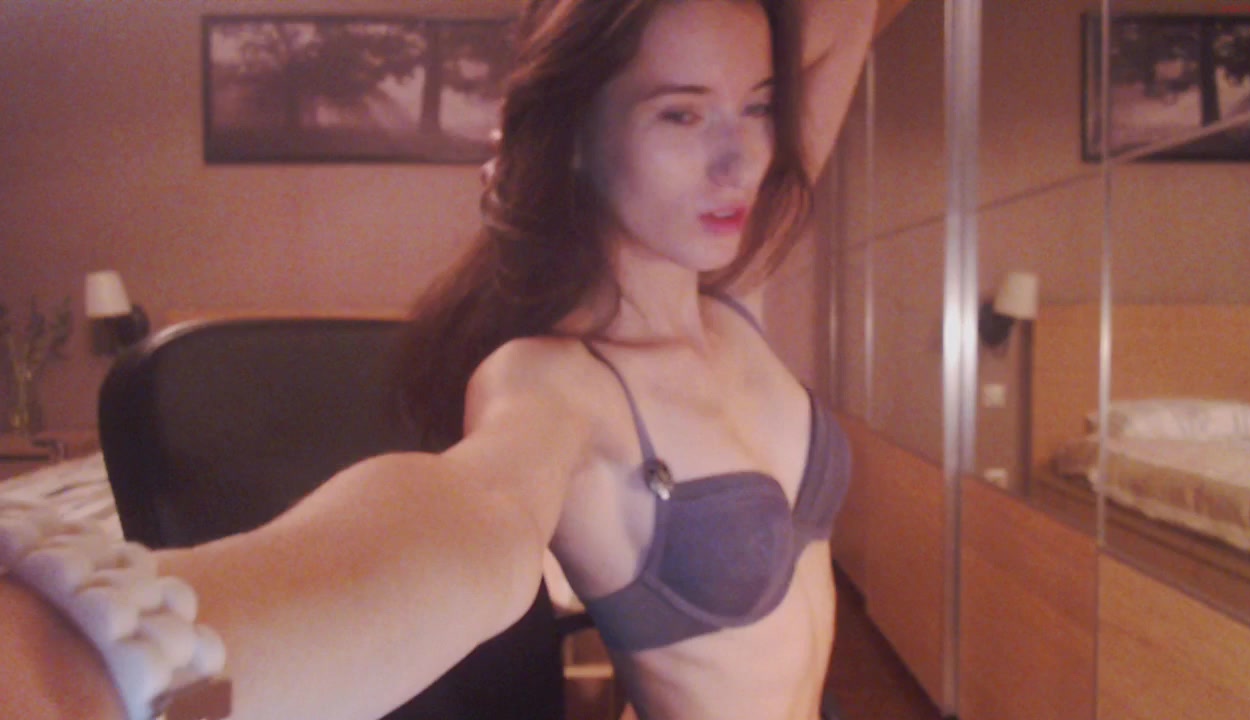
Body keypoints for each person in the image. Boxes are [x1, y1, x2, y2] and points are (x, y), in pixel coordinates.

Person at [0, 0, 877, 718]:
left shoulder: (729, 286)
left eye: (758, 105)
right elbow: (470, 517)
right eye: (681, 112)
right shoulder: (558, 384)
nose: (741, 159)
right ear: (575, 135)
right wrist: (92, 664)